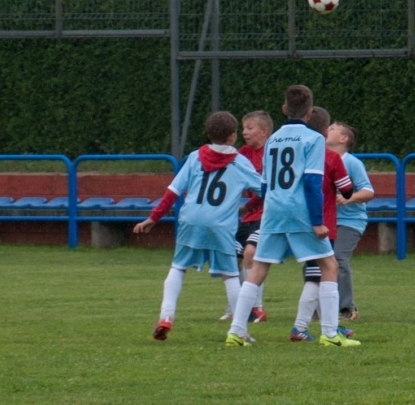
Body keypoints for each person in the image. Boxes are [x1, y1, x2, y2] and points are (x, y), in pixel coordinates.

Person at [225, 85, 358, 347]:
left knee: (258, 270)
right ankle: (330, 334)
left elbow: (264, 184)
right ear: (309, 112)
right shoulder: (314, 139)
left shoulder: (273, 139)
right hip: (299, 211)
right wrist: (317, 221)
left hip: (273, 210)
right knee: (329, 266)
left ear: (284, 109)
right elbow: (311, 181)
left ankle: (236, 331)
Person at [133, 111, 263, 340]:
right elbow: (266, 190)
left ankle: (166, 317)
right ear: (233, 136)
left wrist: (154, 217)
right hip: (221, 225)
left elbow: (173, 191)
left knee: (178, 268)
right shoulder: (240, 162)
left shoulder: (195, 157)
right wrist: (253, 207)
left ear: (208, 133)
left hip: (191, 219)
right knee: (231, 275)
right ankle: (240, 330)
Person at [289, 107, 355, 342]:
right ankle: (305, 327)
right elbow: (347, 189)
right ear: (325, 131)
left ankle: (327, 326)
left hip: (295, 218)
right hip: (322, 223)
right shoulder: (331, 158)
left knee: (316, 274)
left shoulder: (297, 151)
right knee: (322, 274)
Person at [222, 110, 273, 325]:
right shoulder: (241, 154)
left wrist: (248, 206)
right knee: (231, 258)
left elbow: (269, 189)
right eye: (243, 128)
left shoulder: (272, 152)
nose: (245, 132)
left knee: (251, 253)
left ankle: (256, 308)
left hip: (266, 214)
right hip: (246, 216)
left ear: (264, 131)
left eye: (250, 128)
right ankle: (237, 306)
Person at [327, 121, 375, 323]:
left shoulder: (352, 162)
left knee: (338, 258)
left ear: (343, 139)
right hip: (327, 220)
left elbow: (368, 191)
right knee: (316, 262)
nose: (326, 131)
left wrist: (350, 198)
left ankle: (347, 307)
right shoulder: (320, 159)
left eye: (332, 129)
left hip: (350, 220)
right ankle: (319, 307)